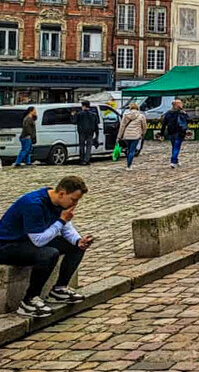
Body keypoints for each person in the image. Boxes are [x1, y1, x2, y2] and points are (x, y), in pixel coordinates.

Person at [0, 175, 93, 317]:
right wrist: (61, 220)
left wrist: (78, 240)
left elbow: (66, 228)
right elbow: (39, 241)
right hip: (7, 246)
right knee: (49, 254)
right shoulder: (34, 204)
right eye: (74, 199)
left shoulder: (59, 202)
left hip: (28, 241)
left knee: (76, 246)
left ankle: (59, 289)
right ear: (62, 193)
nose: (75, 203)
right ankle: (29, 300)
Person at [116, 103, 147, 171]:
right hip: (136, 135)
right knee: (132, 150)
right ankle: (129, 165)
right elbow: (144, 126)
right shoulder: (141, 116)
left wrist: (119, 136)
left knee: (128, 149)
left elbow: (122, 127)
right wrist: (143, 133)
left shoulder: (126, 115)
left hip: (127, 135)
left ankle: (128, 163)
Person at [161, 100, 190, 168]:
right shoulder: (181, 113)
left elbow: (164, 123)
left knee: (174, 146)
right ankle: (173, 161)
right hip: (179, 132)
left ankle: (176, 161)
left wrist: (162, 133)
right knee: (176, 147)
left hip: (171, 132)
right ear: (178, 105)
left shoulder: (168, 113)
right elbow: (188, 119)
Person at [75, 102, 100, 166]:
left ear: (84, 106)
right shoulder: (94, 114)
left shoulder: (79, 114)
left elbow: (74, 121)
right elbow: (96, 125)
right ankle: (87, 160)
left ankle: (82, 160)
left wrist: (72, 115)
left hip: (82, 132)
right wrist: (97, 135)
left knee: (82, 146)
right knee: (89, 147)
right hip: (90, 132)